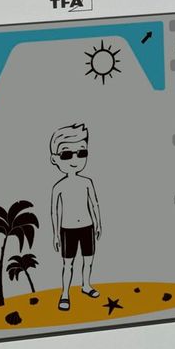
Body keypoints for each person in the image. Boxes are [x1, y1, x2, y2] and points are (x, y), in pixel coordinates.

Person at [49, 124, 102, 311]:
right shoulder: (58, 187)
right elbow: (54, 211)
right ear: (54, 159)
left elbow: (94, 204)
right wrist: (56, 234)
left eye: (81, 153)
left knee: (89, 260)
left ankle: (86, 285)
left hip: (87, 226)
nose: (75, 159)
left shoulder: (87, 182)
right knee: (67, 264)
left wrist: (98, 223)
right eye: (66, 154)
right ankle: (65, 294)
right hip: (67, 229)